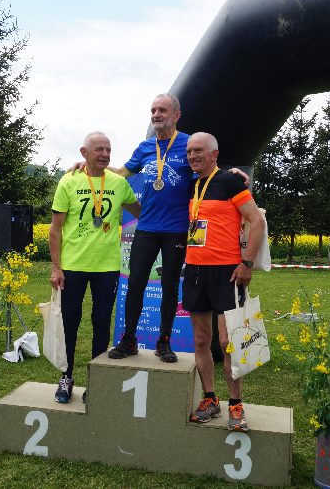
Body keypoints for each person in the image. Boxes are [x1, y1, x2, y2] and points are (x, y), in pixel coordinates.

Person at [103, 94, 249, 363]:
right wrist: (92, 166)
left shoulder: (188, 144)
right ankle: (129, 340)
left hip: (177, 229)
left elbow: (209, 168)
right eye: (153, 110)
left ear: (176, 115)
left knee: (170, 286)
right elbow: (121, 174)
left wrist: (233, 173)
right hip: (147, 227)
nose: (156, 114)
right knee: (135, 284)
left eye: (162, 110)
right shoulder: (145, 147)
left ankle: (164, 341)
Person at [49, 132, 141, 404]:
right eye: (99, 149)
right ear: (83, 152)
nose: (104, 154)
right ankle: (66, 376)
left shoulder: (118, 183)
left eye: (108, 149)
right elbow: (55, 229)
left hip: (107, 267)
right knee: (70, 321)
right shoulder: (69, 180)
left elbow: (141, 212)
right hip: (73, 266)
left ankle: (96, 380)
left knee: (101, 322)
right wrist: (56, 268)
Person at [182, 132, 264, 432]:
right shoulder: (191, 184)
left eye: (198, 151)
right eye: (189, 151)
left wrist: (247, 263)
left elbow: (257, 220)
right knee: (201, 340)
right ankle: (210, 399)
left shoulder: (230, 182)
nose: (192, 156)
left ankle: (235, 404)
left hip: (227, 272)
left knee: (228, 342)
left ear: (214, 154)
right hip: (195, 270)